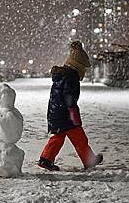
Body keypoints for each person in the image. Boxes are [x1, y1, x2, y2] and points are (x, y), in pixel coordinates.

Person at [38, 41, 103, 171]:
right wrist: (73, 113)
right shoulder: (71, 77)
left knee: (58, 137)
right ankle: (89, 160)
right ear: (78, 66)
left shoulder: (62, 75)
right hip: (66, 114)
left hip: (56, 112)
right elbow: (69, 97)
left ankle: (46, 159)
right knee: (79, 138)